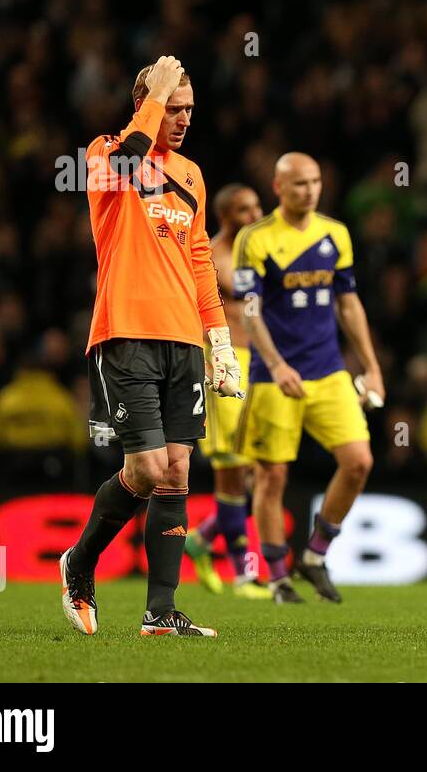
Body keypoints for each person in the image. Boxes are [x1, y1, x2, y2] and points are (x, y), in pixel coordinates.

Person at [63, 56, 244, 638]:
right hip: (125, 331)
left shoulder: (191, 175)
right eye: (173, 106)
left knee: (176, 472)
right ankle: (79, 564)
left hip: (182, 338)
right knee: (143, 468)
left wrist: (219, 341)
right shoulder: (104, 154)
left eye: (190, 109)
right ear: (147, 101)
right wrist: (158, 89)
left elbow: (200, 265)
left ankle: (161, 614)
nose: (184, 119)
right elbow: (124, 161)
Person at [233, 152, 384, 604]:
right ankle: (278, 578)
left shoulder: (335, 233)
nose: (310, 190)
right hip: (273, 376)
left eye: (315, 182)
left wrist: (371, 366)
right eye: (299, 183)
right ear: (278, 188)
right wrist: (277, 365)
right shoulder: (255, 238)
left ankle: (315, 556)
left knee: (359, 462)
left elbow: (348, 303)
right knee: (272, 476)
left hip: (329, 370)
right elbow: (250, 308)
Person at [183, 183, 271, 599]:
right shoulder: (211, 254)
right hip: (224, 358)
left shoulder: (265, 252)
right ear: (225, 216)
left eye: (256, 206)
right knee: (233, 465)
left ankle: (202, 538)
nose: (255, 214)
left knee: (259, 467)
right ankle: (243, 574)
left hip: (262, 362)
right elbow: (195, 306)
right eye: (244, 209)